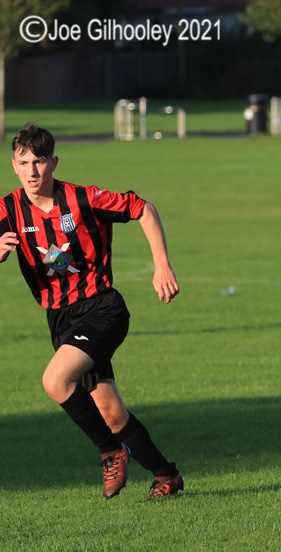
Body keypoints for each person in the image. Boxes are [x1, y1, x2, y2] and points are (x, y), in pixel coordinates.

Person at [0, 124, 184, 500]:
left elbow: (143, 208)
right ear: (13, 166)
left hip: (102, 309)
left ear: (54, 162)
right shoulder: (7, 208)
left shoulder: (83, 199)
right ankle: (167, 476)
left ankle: (112, 451)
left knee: (55, 381)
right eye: (23, 163)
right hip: (60, 319)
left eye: (39, 162)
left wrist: (161, 264)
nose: (32, 171)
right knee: (112, 413)